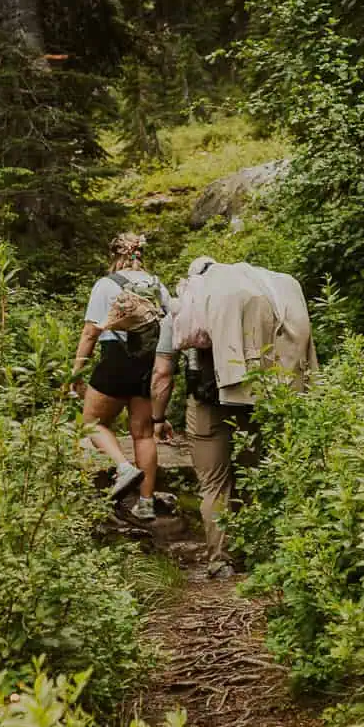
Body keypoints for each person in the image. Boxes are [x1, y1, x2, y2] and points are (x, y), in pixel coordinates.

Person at [176, 256, 315, 577]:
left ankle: (220, 560)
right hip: (253, 396)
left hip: (206, 403)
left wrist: (157, 419)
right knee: (254, 475)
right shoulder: (262, 290)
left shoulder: (189, 303)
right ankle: (257, 553)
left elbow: (163, 370)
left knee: (213, 483)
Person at [70, 233, 178, 521]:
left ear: (114, 254)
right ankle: (145, 503)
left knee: (91, 423)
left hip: (116, 359)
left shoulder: (106, 285)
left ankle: (124, 467)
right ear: (140, 253)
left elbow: (90, 332)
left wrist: (75, 372)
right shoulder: (156, 285)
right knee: (143, 434)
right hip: (148, 362)